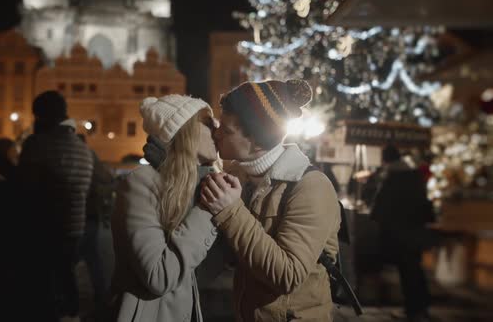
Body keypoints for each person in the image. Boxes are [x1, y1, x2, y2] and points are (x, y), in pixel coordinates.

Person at [199, 80, 341, 322]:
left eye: (227, 129)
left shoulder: (310, 186)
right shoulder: (238, 176)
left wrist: (231, 210)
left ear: (256, 140)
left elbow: (288, 275)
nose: (217, 133)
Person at [109, 95, 219, 322]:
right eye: (208, 122)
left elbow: (203, 269)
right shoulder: (141, 182)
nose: (217, 128)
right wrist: (208, 207)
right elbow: (158, 275)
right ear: (183, 130)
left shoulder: (196, 186)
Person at [17, 90, 93, 322]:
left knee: (43, 289)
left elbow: (24, 188)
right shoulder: (83, 149)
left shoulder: (38, 144)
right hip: (74, 229)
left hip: (44, 228)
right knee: (66, 278)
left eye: (37, 116)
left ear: (43, 117)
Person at [367, 145, 435, 322]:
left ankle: (413, 311)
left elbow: (379, 208)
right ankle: (422, 308)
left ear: (385, 159)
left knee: (407, 272)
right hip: (416, 231)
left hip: (399, 233)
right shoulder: (414, 175)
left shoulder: (391, 177)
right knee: (415, 270)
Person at [77, 133, 114, 321]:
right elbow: (106, 177)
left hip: (76, 215)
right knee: (93, 260)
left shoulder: (74, 155)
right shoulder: (89, 155)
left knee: (76, 259)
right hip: (89, 214)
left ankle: (72, 304)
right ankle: (101, 299)